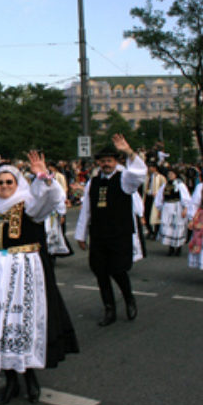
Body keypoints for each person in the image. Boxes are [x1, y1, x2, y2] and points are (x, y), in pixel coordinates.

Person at [0, 153, 78, 405]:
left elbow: (52, 198)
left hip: (21, 271)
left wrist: (42, 175)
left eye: (9, 182)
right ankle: (10, 381)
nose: (3, 187)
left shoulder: (29, 205)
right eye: (0, 183)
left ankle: (30, 378)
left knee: (21, 322)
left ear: (17, 184)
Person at [75, 134, 146, 327]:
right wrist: (81, 235)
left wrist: (129, 152)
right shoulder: (93, 183)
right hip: (99, 234)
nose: (106, 164)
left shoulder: (125, 179)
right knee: (101, 272)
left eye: (109, 161)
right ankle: (109, 309)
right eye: (103, 161)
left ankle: (128, 298)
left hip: (119, 233)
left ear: (116, 162)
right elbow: (86, 210)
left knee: (118, 269)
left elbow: (140, 173)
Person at [154, 167, 191, 256]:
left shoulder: (180, 185)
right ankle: (171, 248)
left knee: (177, 226)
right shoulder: (165, 185)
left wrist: (185, 208)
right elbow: (160, 197)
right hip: (167, 207)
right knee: (168, 227)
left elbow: (186, 197)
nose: (170, 175)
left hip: (177, 207)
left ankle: (178, 248)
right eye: (169, 174)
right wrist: (160, 208)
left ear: (176, 175)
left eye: (172, 174)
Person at [141, 161, 165, 239]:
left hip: (156, 198)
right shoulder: (146, 177)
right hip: (147, 197)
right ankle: (150, 230)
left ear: (154, 168)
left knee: (155, 216)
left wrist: (158, 194)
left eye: (150, 167)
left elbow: (164, 188)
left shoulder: (160, 177)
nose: (149, 169)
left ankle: (155, 232)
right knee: (146, 214)